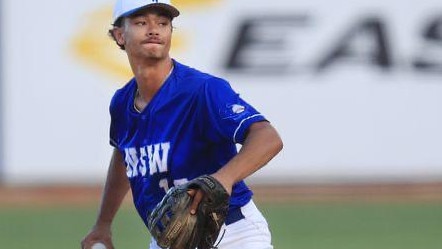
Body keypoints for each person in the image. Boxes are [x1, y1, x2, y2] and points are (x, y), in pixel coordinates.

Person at [81, 0, 283, 248]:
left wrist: (223, 178)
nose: (154, 29)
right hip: (170, 239)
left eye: (163, 23)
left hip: (232, 233)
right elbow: (124, 155)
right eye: (141, 22)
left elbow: (267, 137)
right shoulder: (122, 102)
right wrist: (103, 224)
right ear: (119, 35)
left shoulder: (202, 90)